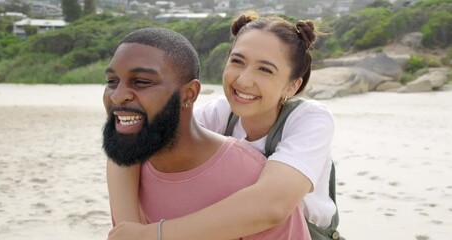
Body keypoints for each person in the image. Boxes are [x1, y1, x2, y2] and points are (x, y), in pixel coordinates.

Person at [107, 11, 339, 239]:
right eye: (237, 62)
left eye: (265, 69)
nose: (244, 80)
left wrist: (151, 235)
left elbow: (273, 206)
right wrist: (129, 227)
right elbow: (133, 140)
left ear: (292, 86)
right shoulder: (218, 113)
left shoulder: (309, 119)